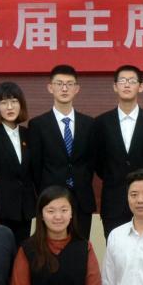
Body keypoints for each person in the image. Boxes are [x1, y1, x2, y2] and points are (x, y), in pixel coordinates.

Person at [29, 65, 97, 239]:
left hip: (82, 199)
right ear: (50, 87)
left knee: (80, 246)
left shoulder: (89, 124)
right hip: (51, 199)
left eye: (69, 84)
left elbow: (92, 162)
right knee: (50, 248)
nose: (64, 88)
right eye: (59, 84)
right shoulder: (38, 125)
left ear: (77, 89)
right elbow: (36, 166)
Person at [95, 65, 143, 236]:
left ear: (141, 86)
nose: (126, 85)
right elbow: (97, 162)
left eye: (132, 81)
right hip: (113, 202)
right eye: (122, 81)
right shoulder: (101, 123)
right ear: (115, 86)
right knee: (115, 248)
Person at [0, 81, 35, 246]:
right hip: (1, 211)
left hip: (25, 210)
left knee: (22, 255)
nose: (10, 107)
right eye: (4, 103)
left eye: (14, 101)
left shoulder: (28, 134)